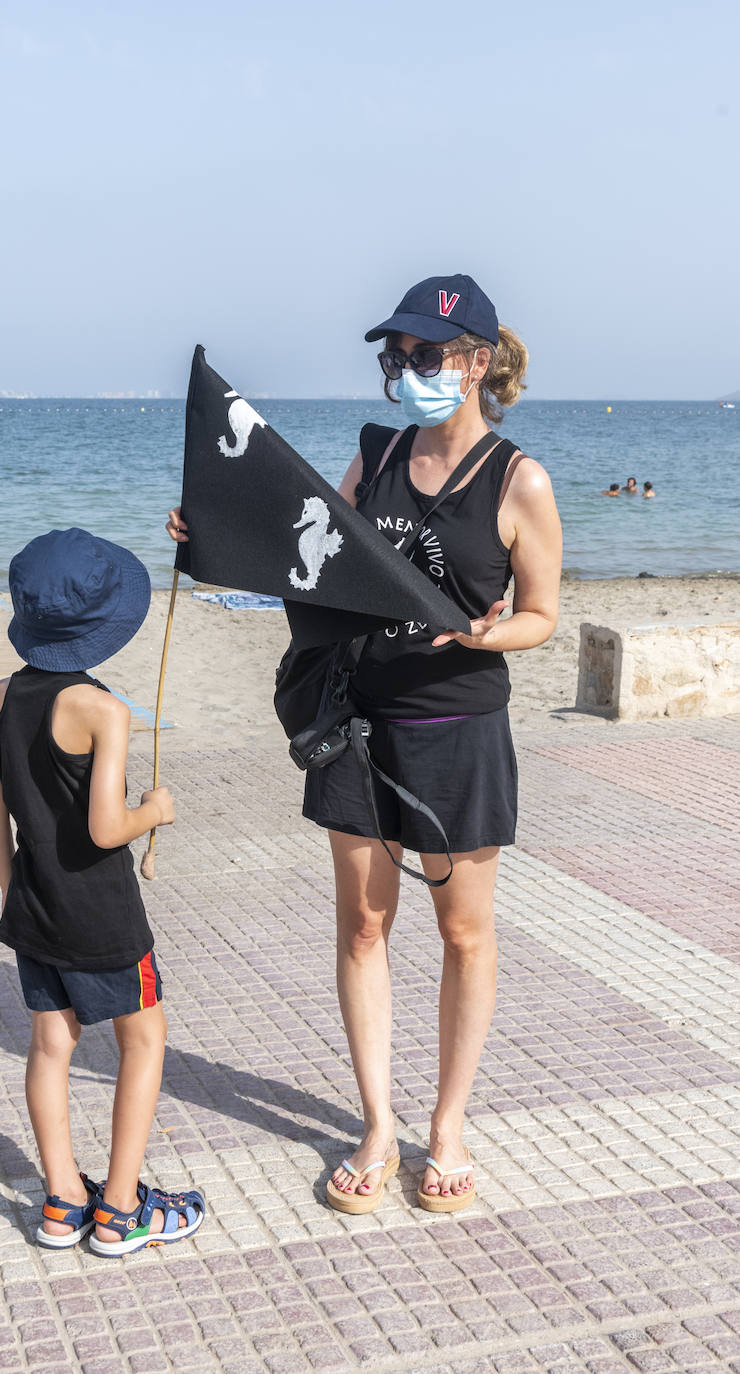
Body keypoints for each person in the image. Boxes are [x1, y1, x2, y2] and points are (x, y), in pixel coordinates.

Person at [167, 273, 562, 1215]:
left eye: (426, 354)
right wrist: (210, 533)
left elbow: (543, 614)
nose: (407, 368)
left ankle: (449, 1127)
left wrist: (483, 636)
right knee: (362, 926)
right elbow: (311, 558)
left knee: (463, 932)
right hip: (359, 725)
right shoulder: (374, 455)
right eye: (398, 355)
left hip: (459, 729)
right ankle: (379, 1125)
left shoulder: (519, 480)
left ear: (475, 362)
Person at [0, 527, 205, 1255]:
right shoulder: (103, 709)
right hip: (102, 913)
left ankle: (61, 1203)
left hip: (33, 903)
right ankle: (119, 1210)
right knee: (144, 1039)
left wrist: (14, 889)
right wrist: (155, 811)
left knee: (51, 1045)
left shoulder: (2, 695)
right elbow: (108, 828)